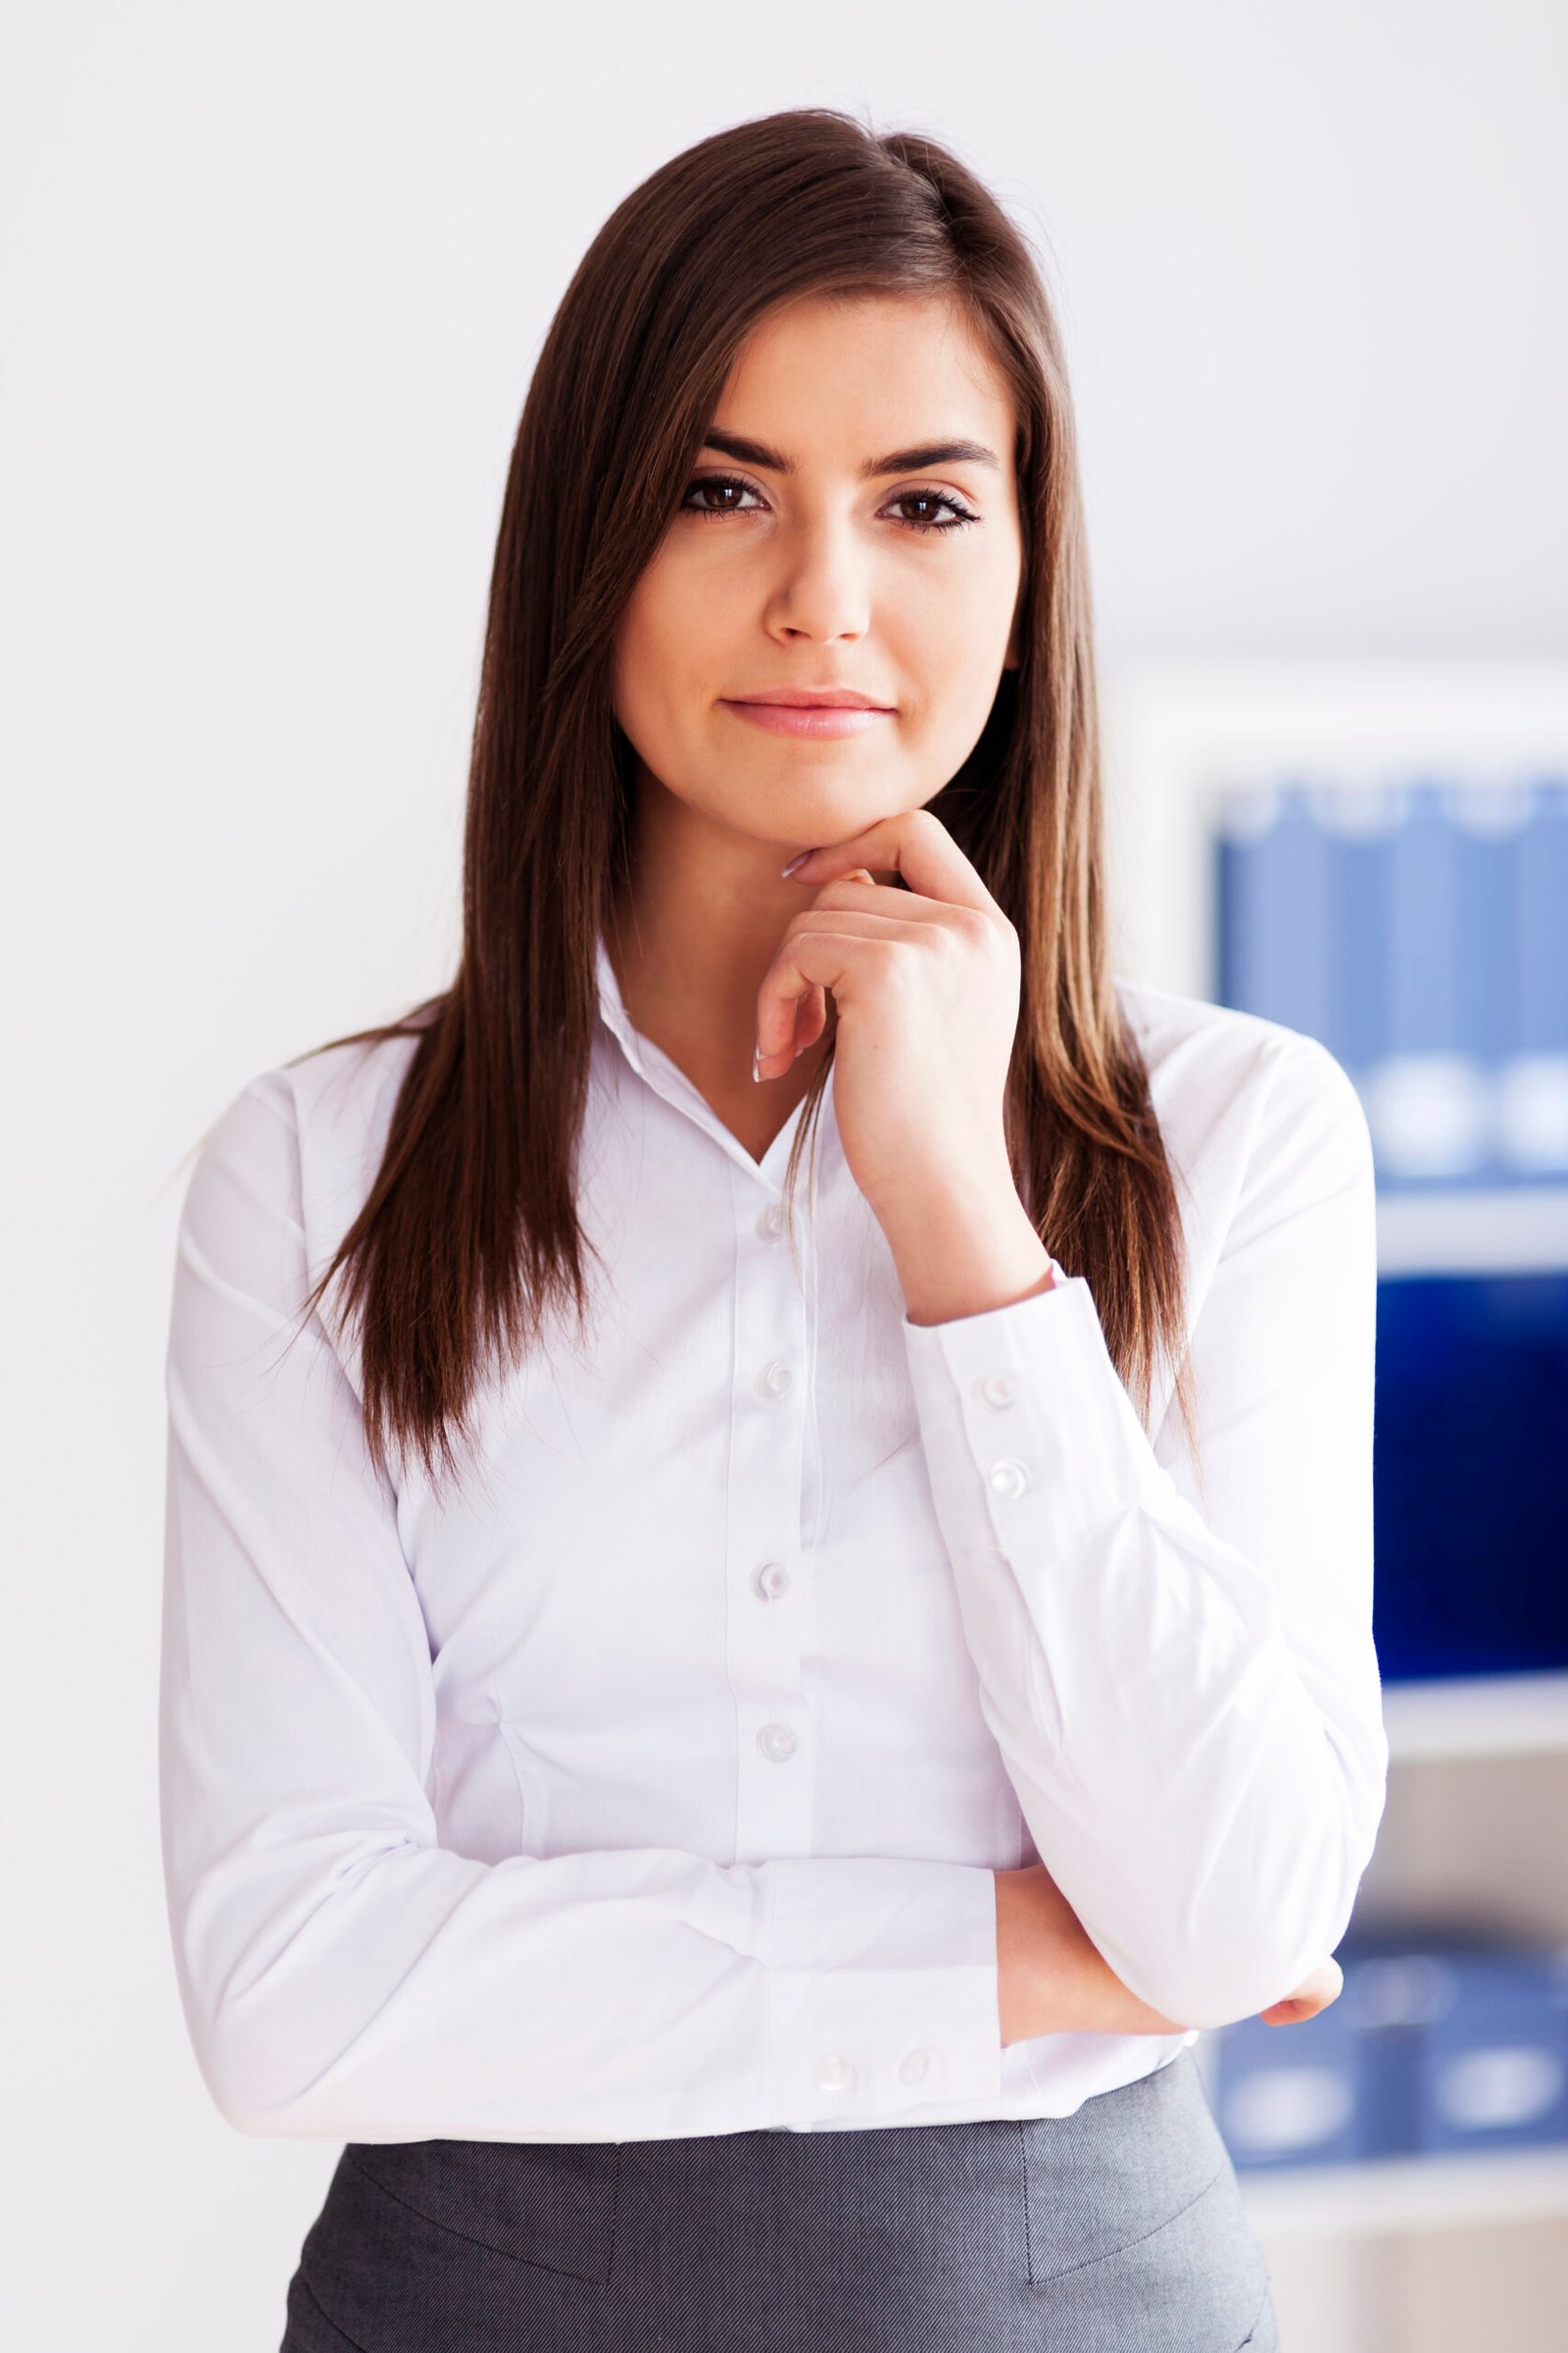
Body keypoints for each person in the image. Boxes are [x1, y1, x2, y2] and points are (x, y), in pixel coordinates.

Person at [159, 105, 1383, 2352]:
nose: (826, 591)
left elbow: (1232, 1906)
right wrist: (993, 1957)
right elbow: (288, 1987)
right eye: (723, 492)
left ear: (1026, 572)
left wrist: (953, 1214)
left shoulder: (1232, 1138)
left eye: (922, 502)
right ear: (586, 551)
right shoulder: (323, 1178)